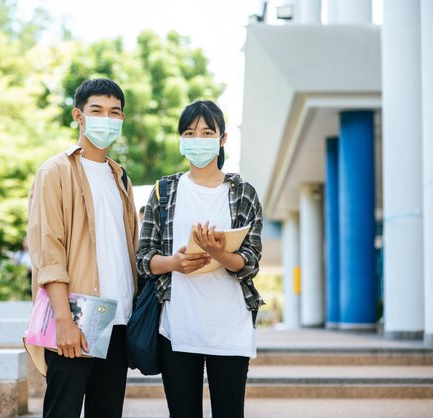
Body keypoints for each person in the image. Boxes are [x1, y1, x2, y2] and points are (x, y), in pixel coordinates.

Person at [137, 100, 264, 418]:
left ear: (222, 139)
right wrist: (173, 264)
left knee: (229, 411)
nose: (198, 139)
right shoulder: (163, 191)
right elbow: (144, 258)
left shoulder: (243, 192)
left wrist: (219, 253)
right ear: (180, 139)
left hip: (229, 326)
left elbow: (251, 261)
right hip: (178, 327)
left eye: (207, 132)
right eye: (190, 132)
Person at [26, 78, 138, 418]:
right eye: (97, 111)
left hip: (117, 319)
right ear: (79, 115)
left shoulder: (121, 177)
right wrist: (64, 319)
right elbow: (50, 251)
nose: (107, 118)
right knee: (63, 410)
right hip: (76, 315)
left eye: (114, 112)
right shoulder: (55, 171)